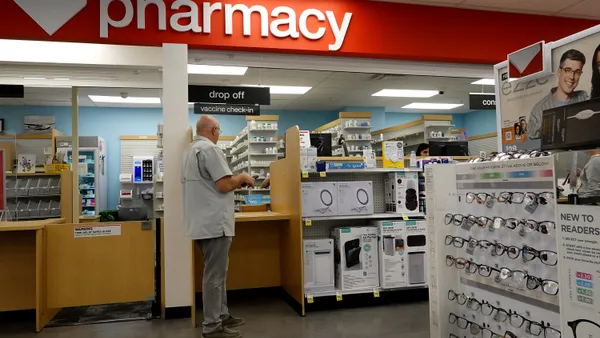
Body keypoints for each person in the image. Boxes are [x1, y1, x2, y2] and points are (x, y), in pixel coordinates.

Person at [182, 115, 255, 338]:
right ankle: (212, 326)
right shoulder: (210, 150)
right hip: (214, 224)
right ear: (213, 129)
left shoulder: (189, 152)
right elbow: (224, 184)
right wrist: (241, 176)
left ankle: (222, 315)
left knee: (217, 273)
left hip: (201, 223)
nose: (219, 133)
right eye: (219, 130)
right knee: (214, 276)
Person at [528, 49, 589, 140]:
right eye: (568, 70)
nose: (572, 77)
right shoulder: (539, 110)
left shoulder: (585, 99)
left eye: (577, 72)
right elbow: (532, 148)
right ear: (559, 72)